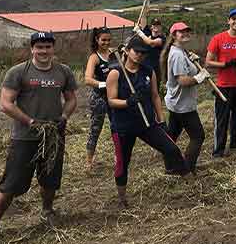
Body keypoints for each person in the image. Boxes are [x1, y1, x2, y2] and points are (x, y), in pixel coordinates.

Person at [0, 32, 77, 243]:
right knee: (11, 184)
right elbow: (6, 104)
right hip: (25, 137)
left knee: (50, 179)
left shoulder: (63, 71)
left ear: (53, 49)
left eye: (47, 47)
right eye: (39, 47)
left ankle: (47, 212)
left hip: (53, 135)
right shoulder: (18, 72)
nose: (44, 51)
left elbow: (71, 99)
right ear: (32, 49)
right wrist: (30, 122)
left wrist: (64, 116)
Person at [106, 36, 188, 208]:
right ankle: (122, 198)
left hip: (147, 123)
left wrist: (161, 118)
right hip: (123, 127)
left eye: (143, 53)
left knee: (171, 148)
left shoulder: (148, 71)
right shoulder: (115, 73)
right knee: (122, 162)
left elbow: (155, 96)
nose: (140, 55)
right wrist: (128, 101)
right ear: (127, 51)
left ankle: (189, 180)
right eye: (136, 51)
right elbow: (112, 101)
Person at [162, 22, 210, 172]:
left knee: (171, 137)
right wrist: (199, 78)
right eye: (181, 32)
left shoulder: (181, 51)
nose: (185, 33)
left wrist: (193, 60)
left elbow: (187, 69)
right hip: (183, 106)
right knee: (198, 136)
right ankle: (186, 168)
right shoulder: (177, 55)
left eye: (187, 31)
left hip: (177, 103)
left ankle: (170, 167)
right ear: (174, 35)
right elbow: (182, 80)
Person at [205, 8, 236, 158]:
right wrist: (224, 64)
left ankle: (235, 143)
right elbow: (208, 62)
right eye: (233, 19)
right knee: (222, 119)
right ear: (228, 21)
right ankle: (218, 150)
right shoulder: (218, 39)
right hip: (224, 87)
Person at [83, 27, 114, 171]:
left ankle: (119, 156)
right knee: (96, 128)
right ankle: (89, 161)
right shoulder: (94, 57)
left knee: (118, 127)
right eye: (103, 40)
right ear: (97, 40)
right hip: (99, 98)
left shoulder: (113, 54)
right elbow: (88, 79)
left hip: (114, 96)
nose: (106, 43)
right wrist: (104, 84)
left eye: (108, 40)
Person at [134, 17, 166, 86]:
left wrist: (139, 32)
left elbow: (151, 43)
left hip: (155, 68)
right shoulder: (147, 33)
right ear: (151, 27)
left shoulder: (162, 38)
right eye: (154, 25)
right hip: (143, 66)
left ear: (161, 27)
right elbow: (143, 19)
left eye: (158, 25)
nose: (156, 27)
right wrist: (145, 10)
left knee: (154, 86)